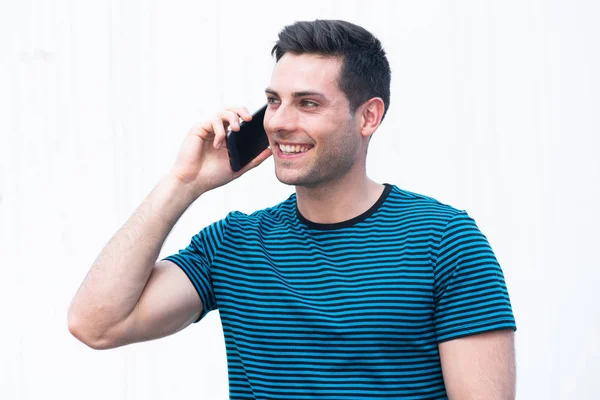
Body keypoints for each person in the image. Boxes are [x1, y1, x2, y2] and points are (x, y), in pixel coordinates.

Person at [68, 19, 517, 400]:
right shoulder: (234, 246)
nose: (280, 121)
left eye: (308, 103)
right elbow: (96, 324)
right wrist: (183, 184)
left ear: (368, 117)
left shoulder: (445, 241)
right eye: (275, 100)